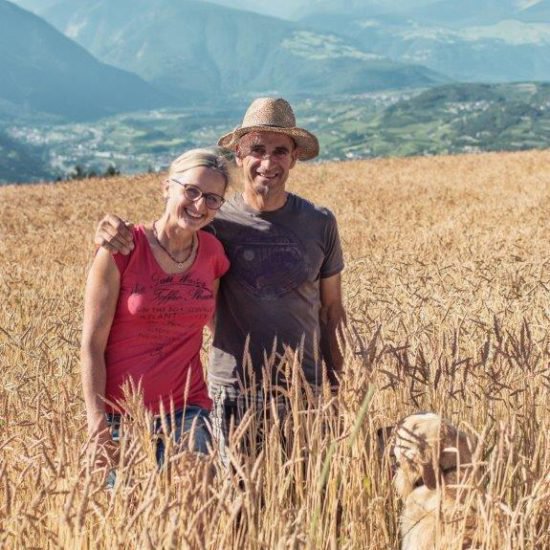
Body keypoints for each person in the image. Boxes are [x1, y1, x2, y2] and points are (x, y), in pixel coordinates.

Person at [94, 98, 346, 463]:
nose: (268, 162)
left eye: (280, 151)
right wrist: (109, 230)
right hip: (232, 391)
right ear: (240, 155)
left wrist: (337, 388)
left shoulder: (320, 222)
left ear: (293, 158)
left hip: (303, 390)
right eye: (257, 149)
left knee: (305, 499)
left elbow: (332, 311)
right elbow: (162, 240)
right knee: (236, 509)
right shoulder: (211, 220)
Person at [81, 148, 231, 473]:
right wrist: (97, 425)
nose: (199, 205)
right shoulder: (122, 248)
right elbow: (91, 346)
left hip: (187, 409)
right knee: (127, 515)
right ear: (166, 187)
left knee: (198, 513)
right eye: (191, 191)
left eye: (212, 198)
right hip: (122, 414)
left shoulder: (213, 253)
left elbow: (214, 322)